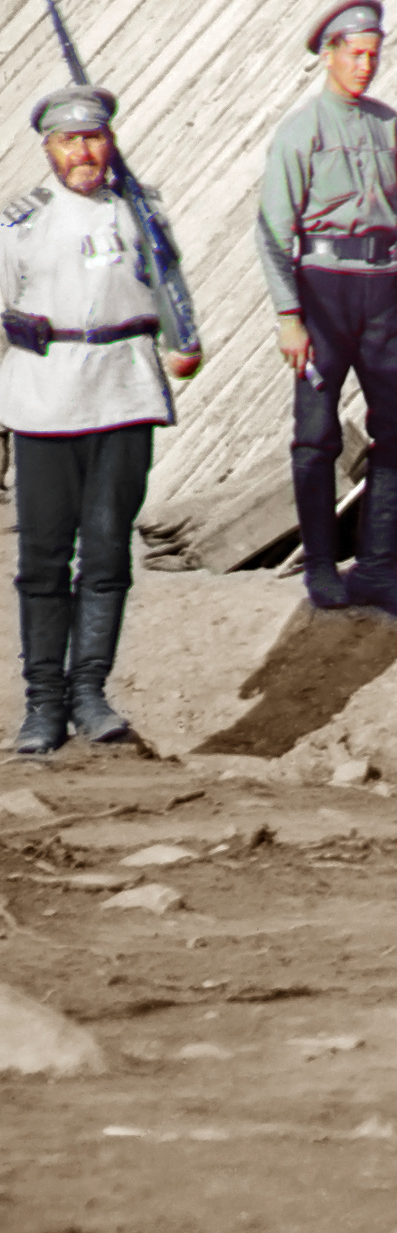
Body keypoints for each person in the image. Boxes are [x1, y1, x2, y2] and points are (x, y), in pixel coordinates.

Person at [3, 82, 197, 755]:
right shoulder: (20, 221)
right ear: (48, 149)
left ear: (109, 142)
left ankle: (90, 692)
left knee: (109, 552)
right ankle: (42, 705)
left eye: (93, 138)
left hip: (124, 393)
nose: (83, 152)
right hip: (47, 396)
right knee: (44, 558)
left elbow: (172, 289)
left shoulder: (139, 213)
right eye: (68, 140)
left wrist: (182, 342)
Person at [259, 0, 397, 623]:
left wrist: (392, 228)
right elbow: (271, 230)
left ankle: (378, 568)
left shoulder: (389, 126)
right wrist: (289, 314)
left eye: (373, 55)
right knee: (315, 435)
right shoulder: (300, 130)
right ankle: (318, 566)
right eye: (355, 54)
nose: (365, 66)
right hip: (321, 289)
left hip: (380, 288)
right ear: (329, 55)